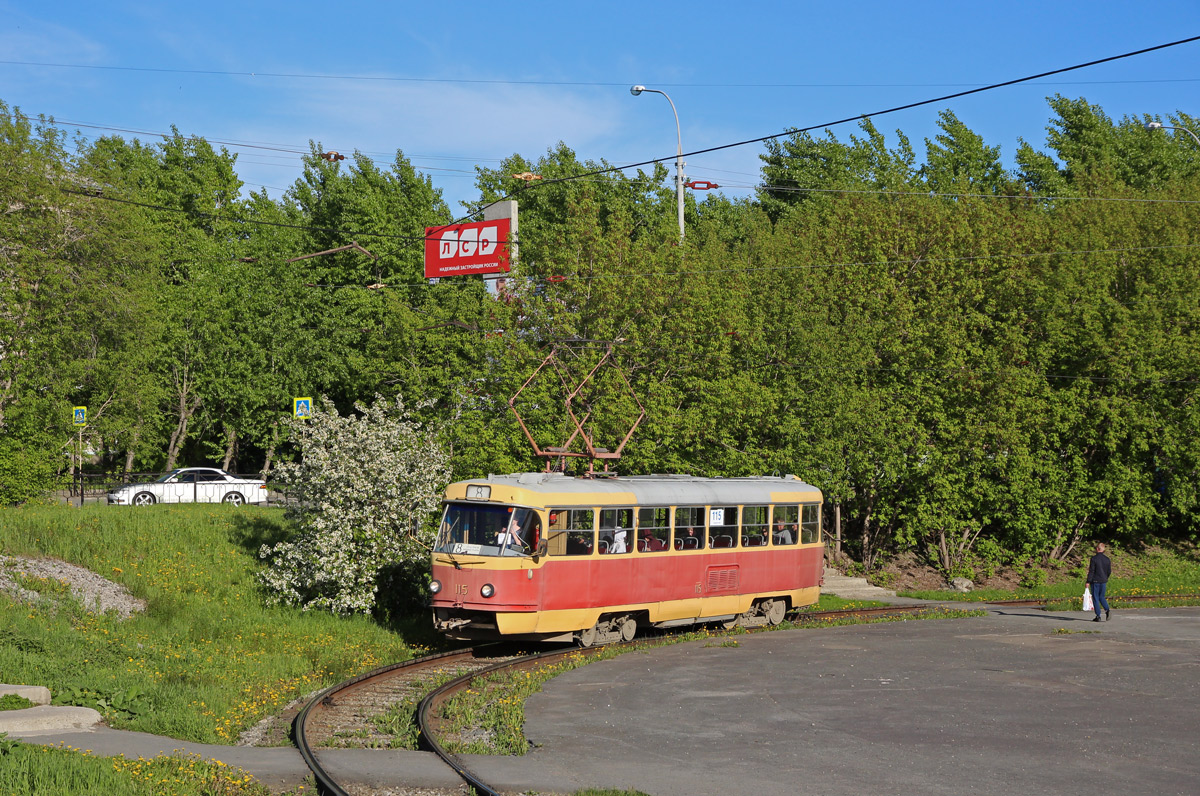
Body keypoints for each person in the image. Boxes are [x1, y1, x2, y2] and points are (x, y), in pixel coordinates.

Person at [1086, 542, 1112, 622]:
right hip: (1103, 580)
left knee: (1096, 598)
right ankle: (1107, 610)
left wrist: (1088, 581)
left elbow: (1092, 571)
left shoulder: (1094, 559)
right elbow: (1109, 571)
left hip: (1095, 580)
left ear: (1097, 549)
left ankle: (1098, 615)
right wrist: (1105, 577)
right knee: (1102, 596)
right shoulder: (1107, 559)